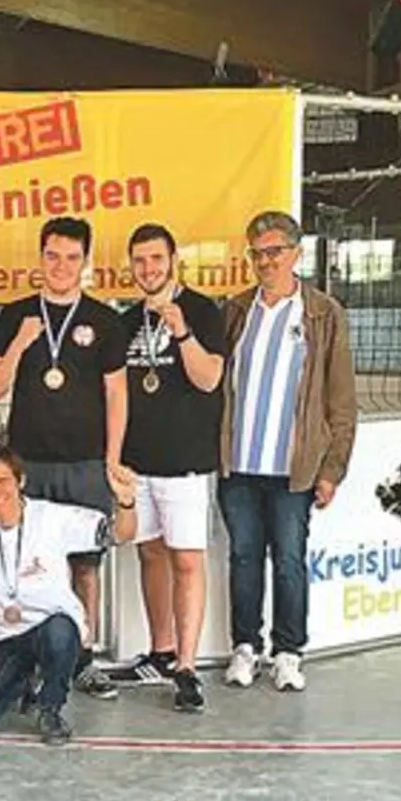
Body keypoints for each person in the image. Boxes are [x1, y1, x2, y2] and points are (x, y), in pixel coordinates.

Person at [0, 216, 127, 701]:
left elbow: (116, 394)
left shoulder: (105, 320)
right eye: (52, 256)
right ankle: (29, 658)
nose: (61, 266)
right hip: (28, 464)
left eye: (71, 258)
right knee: (24, 563)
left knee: (85, 566)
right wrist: (22, 341)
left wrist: (112, 459)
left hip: (85, 463)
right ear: (39, 258)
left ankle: (82, 659)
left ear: (85, 263)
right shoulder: (15, 314)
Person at [219, 211, 356, 693]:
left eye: (274, 251)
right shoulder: (236, 311)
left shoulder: (322, 314)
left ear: (297, 253)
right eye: (257, 253)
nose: (265, 261)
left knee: (290, 561)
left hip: (293, 470)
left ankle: (289, 651)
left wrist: (332, 468)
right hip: (238, 465)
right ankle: (245, 648)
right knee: (243, 558)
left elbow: (342, 402)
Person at [103, 224, 225, 713]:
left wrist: (181, 331)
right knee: (149, 555)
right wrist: (115, 455)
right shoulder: (126, 320)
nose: (148, 269)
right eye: (140, 261)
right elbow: (120, 393)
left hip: (187, 465)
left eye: (156, 259)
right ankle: (160, 650)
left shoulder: (201, 310)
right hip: (140, 463)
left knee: (187, 560)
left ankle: (188, 667)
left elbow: (209, 378)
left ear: (174, 261)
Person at [0, 444, 139, 744]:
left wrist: (126, 502)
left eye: (3, 480)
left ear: (21, 481)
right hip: (1, 636)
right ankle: (23, 679)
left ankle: (50, 707)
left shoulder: (51, 517)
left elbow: (119, 535)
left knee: (60, 631)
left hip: (49, 626)